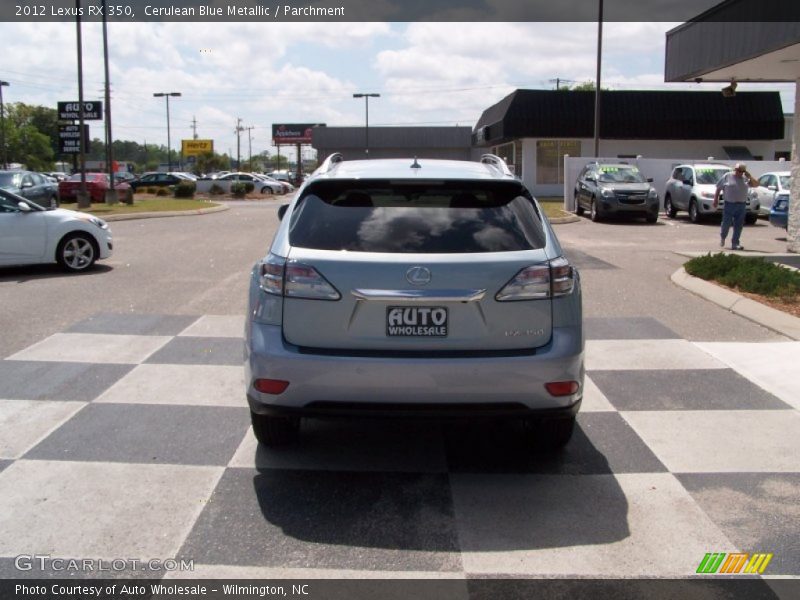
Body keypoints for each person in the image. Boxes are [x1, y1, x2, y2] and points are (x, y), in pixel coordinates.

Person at [713, 163, 758, 250]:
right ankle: (723, 237)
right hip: (729, 204)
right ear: (735, 169)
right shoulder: (727, 176)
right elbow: (719, 188)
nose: (739, 172)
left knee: (739, 225)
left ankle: (735, 243)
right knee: (726, 223)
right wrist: (716, 199)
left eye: (741, 171)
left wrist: (750, 176)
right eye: (738, 170)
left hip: (741, 204)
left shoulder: (745, 179)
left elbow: (756, 184)